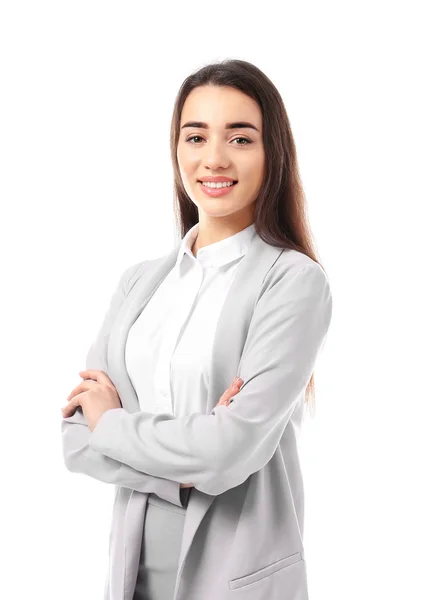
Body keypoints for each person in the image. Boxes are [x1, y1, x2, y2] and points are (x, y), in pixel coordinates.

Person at [61, 58, 333, 600]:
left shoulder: (294, 282)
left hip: (237, 579)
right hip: (131, 575)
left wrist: (113, 423)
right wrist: (189, 463)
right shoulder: (139, 284)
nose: (214, 158)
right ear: (176, 149)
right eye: (195, 136)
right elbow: (74, 441)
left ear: (271, 152)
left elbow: (227, 451)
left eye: (240, 137)